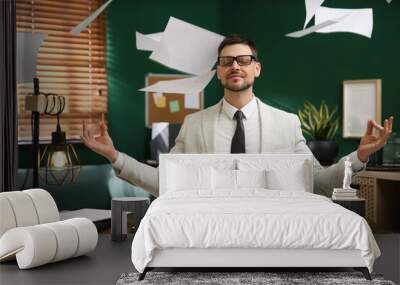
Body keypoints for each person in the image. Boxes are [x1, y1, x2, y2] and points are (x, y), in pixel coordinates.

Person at [81, 34, 394, 197]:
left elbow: (319, 183)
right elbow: (166, 182)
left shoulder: (287, 124)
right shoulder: (193, 123)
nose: (235, 66)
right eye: (227, 61)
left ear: (256, 69)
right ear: (218, 71)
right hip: (211, 228)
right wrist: (114, 156)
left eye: (244, 60)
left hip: (272, 228)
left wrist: (360, 156)